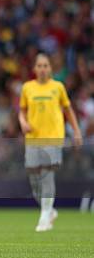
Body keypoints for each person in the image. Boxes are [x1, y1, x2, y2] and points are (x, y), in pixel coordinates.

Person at [18, 53, 82, 232]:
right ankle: (49, 210)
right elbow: (22, 111)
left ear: (50, 68)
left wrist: (76, 131)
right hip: (33, 139)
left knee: (47, 174)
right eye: (39, 65)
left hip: (53, 137)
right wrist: (23, 122)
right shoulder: (27, 88)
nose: (43, 69)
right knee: (34, 179)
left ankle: (44, 215)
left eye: (46, 65)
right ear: (34, 69)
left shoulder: (58, 87)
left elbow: (68, 111)